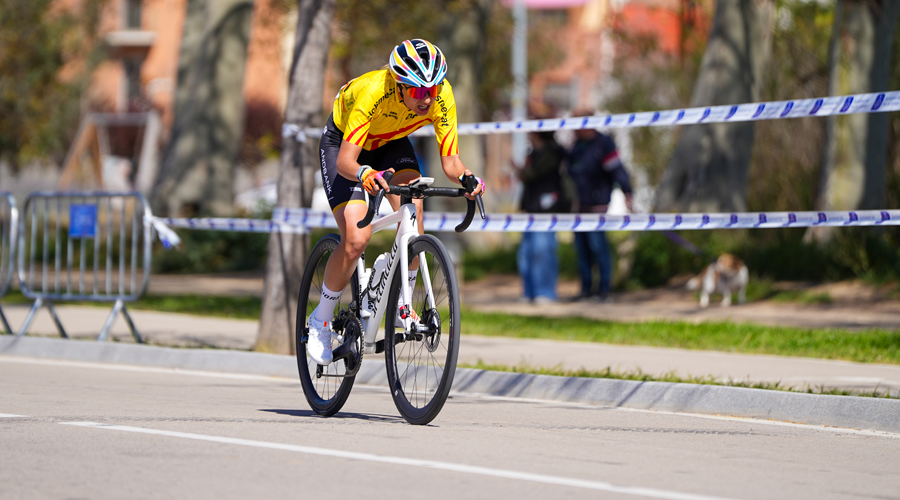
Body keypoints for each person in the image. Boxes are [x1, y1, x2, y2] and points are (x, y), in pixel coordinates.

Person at [309, 39, 485, 365]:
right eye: (418, 92)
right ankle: (320, 320)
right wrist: (364, 173)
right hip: (346, 146)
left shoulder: (441, 97)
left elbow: (451, 162)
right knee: (356, 239)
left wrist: (468, 179)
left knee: (414, 211)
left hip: (390, 142)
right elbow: (347, 161)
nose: (427, 98)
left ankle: (405, 302)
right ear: (399, 84)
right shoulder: (375, 91)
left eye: (433, 89)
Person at [567, 110, 633, 302]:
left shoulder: (603, 144)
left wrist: (627, 192)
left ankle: (604, 289)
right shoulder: (576, 146)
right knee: (582, 249)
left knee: (598, 246)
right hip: (578, 206)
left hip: (597, 205)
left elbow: (617, 170)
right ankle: (586, 289)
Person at [513, 130, 567, 303]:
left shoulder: (552, 152)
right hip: (530, 207)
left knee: (543, 250)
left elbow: (532, 174)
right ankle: (529, 293)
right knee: (526, 253)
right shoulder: (532, 153)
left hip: (546, 209)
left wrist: (519, 170)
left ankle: (546, 293)